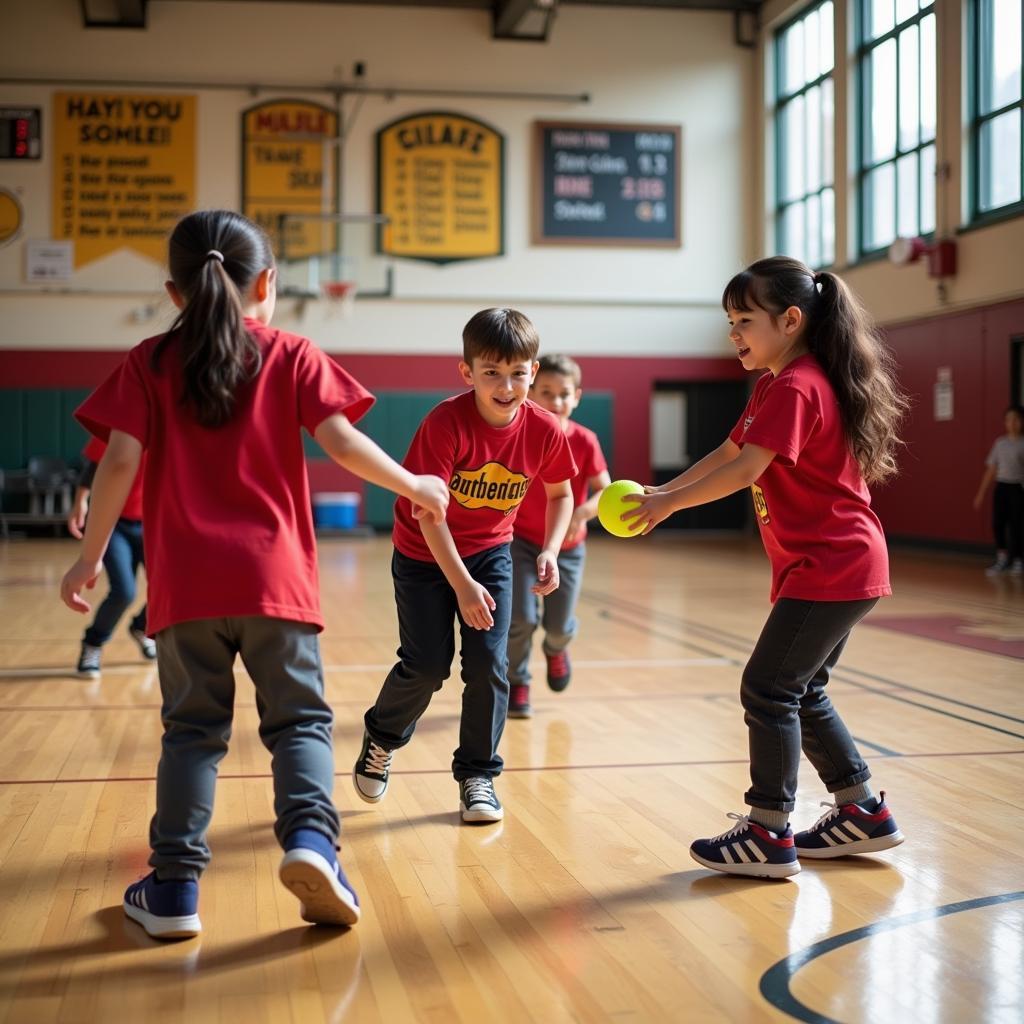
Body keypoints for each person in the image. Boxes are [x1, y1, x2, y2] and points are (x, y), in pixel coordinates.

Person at [59, 210, 449, 939]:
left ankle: (174, 889)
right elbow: (343, 442)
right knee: (299, 722)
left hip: (187, 591)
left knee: (191, 733)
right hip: (276, 583)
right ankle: (311, 844)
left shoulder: (148, 360)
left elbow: (117, 462)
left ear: (175, 292)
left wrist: (89, 556)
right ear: (267, 282)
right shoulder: (293, 353)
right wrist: (414, 486)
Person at [622, 256, 908, 879]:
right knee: (799, 690)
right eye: (729, 320)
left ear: (791, 320)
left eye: (744, 319)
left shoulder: (800, 384)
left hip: (833, 563)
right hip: (835, 563)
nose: (734, 334)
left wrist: (669, 503)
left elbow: (746, 470)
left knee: (769, 689)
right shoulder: (774, 384)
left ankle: (768, 830)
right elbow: (729, 451)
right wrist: (664, 494)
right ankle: (862, 811)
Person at [353, 309, 577, 823]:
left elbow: (561, 493)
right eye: (492, 373)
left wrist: (548, 548)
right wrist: (463, 587)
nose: (506, 385)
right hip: (424, 554)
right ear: (467, 372)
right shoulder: (445, 423)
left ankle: (478, 775)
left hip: (492, 553)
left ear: (533, 372)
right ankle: (381, 739)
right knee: (427, 665)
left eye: (518, 373)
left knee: (488, 666)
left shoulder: (544, 429)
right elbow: (429, 518)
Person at [506, 354, 610, 717]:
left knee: (558, 624)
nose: (556, 401)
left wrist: (582, 513)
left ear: (577, 396)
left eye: (564, 394)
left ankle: (556, 648)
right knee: (519, 618)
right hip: (519, 543)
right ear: (531, 393)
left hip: (566, 547)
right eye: (546, 392)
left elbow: (605, 491)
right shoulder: (519, 435)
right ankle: (518, 681)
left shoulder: (585, 440)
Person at [68, 436, 155, 677]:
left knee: (171, 589)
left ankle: (141, 627)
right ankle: (93, 644)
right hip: (114, 523)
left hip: (154, 523)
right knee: (124, 592)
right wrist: (81, 502)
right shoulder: (118, 427)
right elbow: (93, 467)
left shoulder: (171, 427)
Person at [972, 405, 1024, 575]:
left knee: (1017, 525)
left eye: (1016, 419)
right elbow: (991, 470)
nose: (1012, 423)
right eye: (1009, 419)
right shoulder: (1000, 444)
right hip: (1001, 488)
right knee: (998, 523)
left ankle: (1017, 559)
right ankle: (1002, 558)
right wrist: (981, 493)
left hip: (1017, 488)